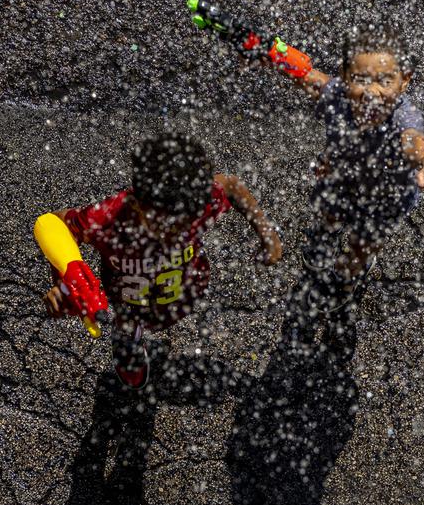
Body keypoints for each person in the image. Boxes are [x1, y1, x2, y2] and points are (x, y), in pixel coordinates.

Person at [39, 132, 282, 389]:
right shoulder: (109, 218)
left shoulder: (202, 199)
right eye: (163, 224)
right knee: (125, 329)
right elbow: (57, 226)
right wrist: (68, 278)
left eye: (185, 222)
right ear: (137, 204)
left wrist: (266, 232)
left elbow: (232, 186)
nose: (173, 233)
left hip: (183, 287)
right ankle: (129, 345)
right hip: (130, 302)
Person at [256, 23, 424, 309]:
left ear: (404, 80)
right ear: (345, 77)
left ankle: (345, 281)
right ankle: (326, 236)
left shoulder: (403, 117)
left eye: (385, 81)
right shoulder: (338, 94)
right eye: (360, 79)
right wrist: (271, 53)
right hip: (339, 180)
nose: (371, 92)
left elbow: (415, 140)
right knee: (327, 215)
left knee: (361, 247)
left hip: (385, 201)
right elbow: (309, 78)